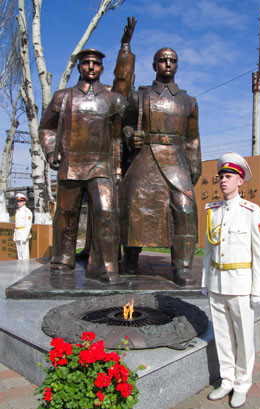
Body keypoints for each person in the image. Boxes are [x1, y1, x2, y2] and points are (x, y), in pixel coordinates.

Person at [39, 18, 136, 284]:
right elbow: (46, 129)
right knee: (66, 215)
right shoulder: (63, 96)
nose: (91, 66)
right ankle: (63, 258)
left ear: (102, 68)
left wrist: (125, 49)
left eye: (96, 63)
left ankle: (104, 265)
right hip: (71, 163)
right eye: (86, 62)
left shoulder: (111, 98)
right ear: (79, 67)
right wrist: (50, 151)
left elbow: (124, 87)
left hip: (101, 166)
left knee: (106, 212)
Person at [119, 47, 201, 286]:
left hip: (176, 160)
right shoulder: (139, 96)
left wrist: (195, 165)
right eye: (162, 60)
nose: (168, 64)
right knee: (135, 206)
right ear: (154, 65)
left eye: (172, 60)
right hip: (145, 157)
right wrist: (130, 134)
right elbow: (124, 126)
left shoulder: (189, 101)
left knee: (185, 210)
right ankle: (131, 259)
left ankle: (182, 267)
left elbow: (193, 138)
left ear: (177, 65)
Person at [201, 152, 260, 408]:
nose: (223, 181)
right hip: (218, 283)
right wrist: (206, 281)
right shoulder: (212, 210)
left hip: (241, 285)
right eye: (221, 176)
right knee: (223, 335)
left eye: (228, 176)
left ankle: (242, 383)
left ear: (240, 181)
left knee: (243, 337)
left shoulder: (251, 211)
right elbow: (208, 250)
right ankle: (226, 379)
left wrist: (257, 289)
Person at [13, 193, 32, 260]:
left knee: (24, 254)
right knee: (19, 253)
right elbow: (16, 224)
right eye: (18, 201)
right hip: (18, 233)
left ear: (24, 202)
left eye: (20, 201)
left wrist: (25, 236)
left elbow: (28, 225)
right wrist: (14, 235)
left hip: (23, 234)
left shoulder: (27, 211)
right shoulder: (18, 211)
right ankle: (20, 269)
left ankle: (25, 269)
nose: (18, 203)